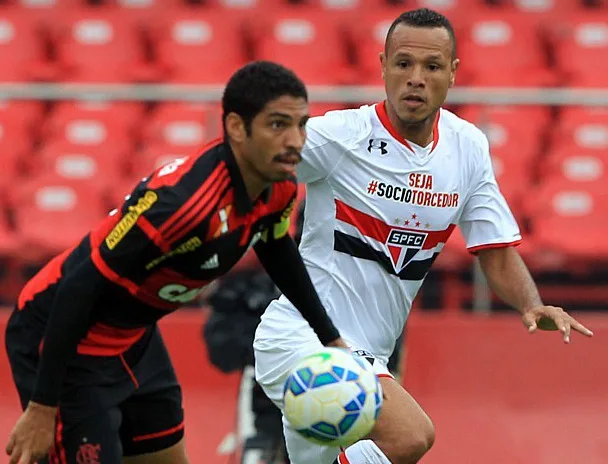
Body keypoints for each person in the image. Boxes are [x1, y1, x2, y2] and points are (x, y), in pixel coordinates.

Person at [253, 8, 594, 464]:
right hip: (305, 339)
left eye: (431, 67)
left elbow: (494, 250)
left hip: (368, 357)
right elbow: (250, 161)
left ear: (452, 73)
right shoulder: (341, 136)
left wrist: (532, 304)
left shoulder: (466, 147)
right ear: (382, 66)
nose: (415, 78)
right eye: (403, 64)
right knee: (411, 436)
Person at [4, 60, 347, 464]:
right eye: (278, 125)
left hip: (134, 337)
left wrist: (331, 339)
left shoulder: (278, 187)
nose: (295, 140)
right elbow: (78, 287)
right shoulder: (181, 206)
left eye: (301, 124)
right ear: (237, 127)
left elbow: (278, 252)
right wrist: (43, 407)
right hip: (64, 337)